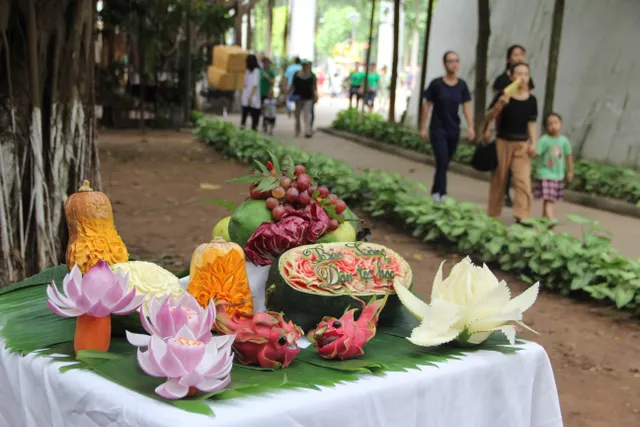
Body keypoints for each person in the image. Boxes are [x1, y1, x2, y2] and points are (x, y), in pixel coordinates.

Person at [485, 62, 538, 222]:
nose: (522, 78)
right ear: (512, 76)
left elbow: (531, 122)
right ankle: (493, 215)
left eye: (526, 74)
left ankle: (522, 216)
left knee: (523, 182)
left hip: (521, 143)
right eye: (519, 74)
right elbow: (489, 116)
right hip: (502, 142)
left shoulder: (532, 100)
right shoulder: (503, 95)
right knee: (499, 180)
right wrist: (502, 102)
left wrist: (533, 142)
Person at [419, 51, 475, 202]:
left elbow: (466, 107)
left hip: (453, 129)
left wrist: (471, 126)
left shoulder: (462, 85)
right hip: (437, 129)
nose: (453, 64)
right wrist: (423, 128)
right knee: (442, 160)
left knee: (444, 163)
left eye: (456, 61)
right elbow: (427, 106)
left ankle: (435, 191)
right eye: (450, 61)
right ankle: (442, 194)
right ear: (445, 64)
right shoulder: (436, 84)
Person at [534, 112, 574, 221]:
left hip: (558, 174)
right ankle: (551, 219)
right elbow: (536, 153)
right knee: (549, 199)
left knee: (549, 199)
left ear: (560, 123)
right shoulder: (544, 140)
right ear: (546, 127)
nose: (553, 126)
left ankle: (544, 222)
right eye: (550, 124)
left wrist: (570, 171)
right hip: (545, 173)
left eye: (555, 123)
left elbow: (568, 156)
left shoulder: (564, 141)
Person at [286, 59, 317, 138]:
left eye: (306, 65)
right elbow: (292, 85)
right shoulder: (297, 74)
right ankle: (297, 130)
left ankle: (308, 131)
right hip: (298, 97)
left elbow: (314, 87)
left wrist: (316, 95)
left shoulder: (312, 75)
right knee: (297, 115)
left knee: (307, 115)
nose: (305, 66)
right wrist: (287, 93)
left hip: (308, 97)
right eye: (303, 65)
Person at [240, 54, 262, 131]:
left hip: (253, 97)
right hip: (246, 97)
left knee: (254, 118)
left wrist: (250, 96)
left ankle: (253, 132)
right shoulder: (247, 71)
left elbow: (255, 85)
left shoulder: (256, 71)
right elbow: (245, 84)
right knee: (244, 117)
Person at [260, 57, 276, 132]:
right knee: (263, 110)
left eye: (267, 63)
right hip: (260, 93)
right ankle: (264, 124)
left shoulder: (271, 72)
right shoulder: (259, 71)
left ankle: (268, 125)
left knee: (269, 110)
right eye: (265, 63)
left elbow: (273, 82)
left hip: (268, 94)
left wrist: (267, 77)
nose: (266, 64)